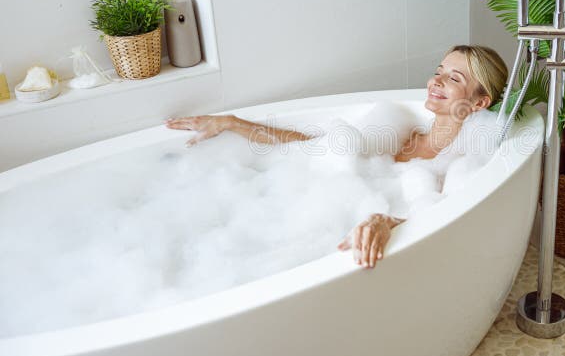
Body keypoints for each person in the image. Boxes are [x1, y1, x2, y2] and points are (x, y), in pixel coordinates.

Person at [165, 45, 508, 269]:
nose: (436, 80)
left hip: (341, 242)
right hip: (300, 216)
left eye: (454, 78)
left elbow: (448, 216)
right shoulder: (398, 131)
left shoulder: (462, 163)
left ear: (479, 103)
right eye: (439, 70)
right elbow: (315, 146)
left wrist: (387, 221)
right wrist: (232, 123)